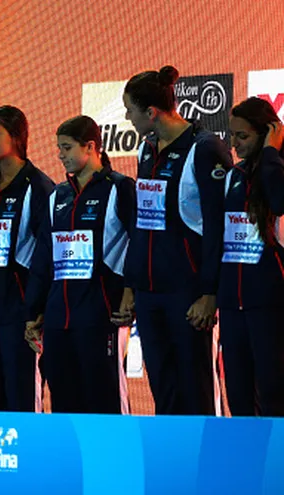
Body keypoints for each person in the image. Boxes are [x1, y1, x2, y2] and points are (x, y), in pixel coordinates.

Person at [118, 65, 232, 415]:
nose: (127, 117)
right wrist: (131, 286)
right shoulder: (146, 150)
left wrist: (209, 294)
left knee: (195, 390)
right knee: (163, 391)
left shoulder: (205, 149)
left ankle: (206, 468)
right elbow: (142, 225)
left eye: (130, 110)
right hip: (151, 295)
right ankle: (171, 467)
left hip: (188, 294)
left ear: (151, 112)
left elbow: (217, 227)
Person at [24, 115, 133, 413]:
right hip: (59, 319)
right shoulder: (57, 196)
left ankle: (112, 460)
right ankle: (71, 461)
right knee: (63, 401)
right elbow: (43, 258)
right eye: (59, 148)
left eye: (68, 148)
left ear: (91, 147)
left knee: (105, 399)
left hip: (100, 315)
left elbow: (139, 244)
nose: (61, 155)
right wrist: (33, 311)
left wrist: (129, 292)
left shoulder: (119, 188)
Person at [0, 106, 53, 412]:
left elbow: (45, 256)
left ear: (16, 137)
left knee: (22, 403)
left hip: (20, 315)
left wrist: (35, 309)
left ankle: (30, 461)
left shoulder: (39, 187)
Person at [217, 97, 284, 416]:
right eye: (232, 136)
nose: (234, 143)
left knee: (274, 391)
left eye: (242, 136)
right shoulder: (234, 175)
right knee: (239, 395)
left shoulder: (276, 171)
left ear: (267, 132)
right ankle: (245, 464)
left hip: (270, 301)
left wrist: (272, 152)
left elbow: (280, 200)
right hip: (233, 304)